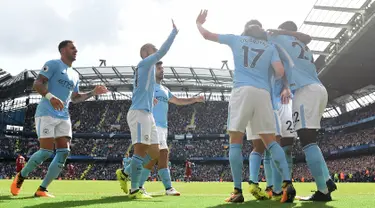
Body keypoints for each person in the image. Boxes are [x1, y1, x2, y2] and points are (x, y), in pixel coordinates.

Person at [195, 10, 295, 203]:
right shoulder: (270, 46)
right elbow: (280, 71)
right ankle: (287, 184)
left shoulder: (237, 40)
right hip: (263, 94)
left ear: (245, 30)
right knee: (271, 142)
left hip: (241, 91)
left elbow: (207, 35)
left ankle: (237, 191)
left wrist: (198, 23)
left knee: (236, 141)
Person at [10, 40, 108, 197]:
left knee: (63, 152)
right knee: (45, 152)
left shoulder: (75, 75)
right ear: (63, 50)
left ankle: (42, 189)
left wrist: (92, 93)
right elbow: (38, 83)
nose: (76, 50)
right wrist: (50, 96)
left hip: (64, 116)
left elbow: (75, 98)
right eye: (72, 47)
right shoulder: (53, 64)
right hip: (46, 112)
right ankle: (21, 176)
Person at [268, 21, 337, 201]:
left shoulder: (277, 38)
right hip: (319, 89)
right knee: (311, 140)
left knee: (307, 142)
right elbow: (307, 37)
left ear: (282, 29)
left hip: (304, 91)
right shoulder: (302, 44)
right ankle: (328, 180)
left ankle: (323, 191)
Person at [115, 19, 179, 200]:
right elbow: (163, 51)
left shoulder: (148, 72)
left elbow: (141, 88)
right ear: (145, 54)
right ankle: (135, 189)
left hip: (147, 113)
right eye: (154, 51)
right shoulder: (144, 64)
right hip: (139, 113)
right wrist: (174, 32)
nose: (157, 54)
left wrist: (150, 99)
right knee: (141, 150)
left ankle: (126, 172)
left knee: (154, 153)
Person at [137, 61, 204, 196]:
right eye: (159, 68)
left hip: (163, 127)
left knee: (163, 155)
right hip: (151, 124)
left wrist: (195, 99)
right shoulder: (147, 86)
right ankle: (137, 184)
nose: (162, 70)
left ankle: (167, 188)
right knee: (154, 154)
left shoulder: (165, 90)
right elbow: (137, 100)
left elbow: (178, 101)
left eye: (162, 68)